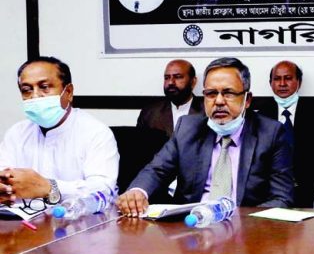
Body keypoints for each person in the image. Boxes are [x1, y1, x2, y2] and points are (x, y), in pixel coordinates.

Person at [117, 57, 294, 216]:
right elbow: (157, 170)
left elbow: (282, 198)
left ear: (247, 100)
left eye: (228, 93)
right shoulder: (188, 128)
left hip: (246, 233)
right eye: (211, 94)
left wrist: (237, 221)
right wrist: (138, 191)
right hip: (192, 230)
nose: (218, 101)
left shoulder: (270, 133)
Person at [0, 57, 119, 210]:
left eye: (44, 87)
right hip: (21, 225)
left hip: (79, 226)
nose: (35, 96)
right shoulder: (17, 133)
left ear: (68, 92)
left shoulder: (95, 132)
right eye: (26, 90)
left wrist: (50, 187)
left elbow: (102, 191)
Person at [252, 61, 314, 207]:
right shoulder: (261, 114)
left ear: (299, 82)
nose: (282, 83)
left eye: (288, 78)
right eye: (277, 79)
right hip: (269, 193)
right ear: (271, 83)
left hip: (309, 191)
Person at [137, 59, 204, 137]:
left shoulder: (207, 112)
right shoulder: (150, 113)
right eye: (167, 77)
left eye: (178, 77)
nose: (171, 82)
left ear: (193, 82)